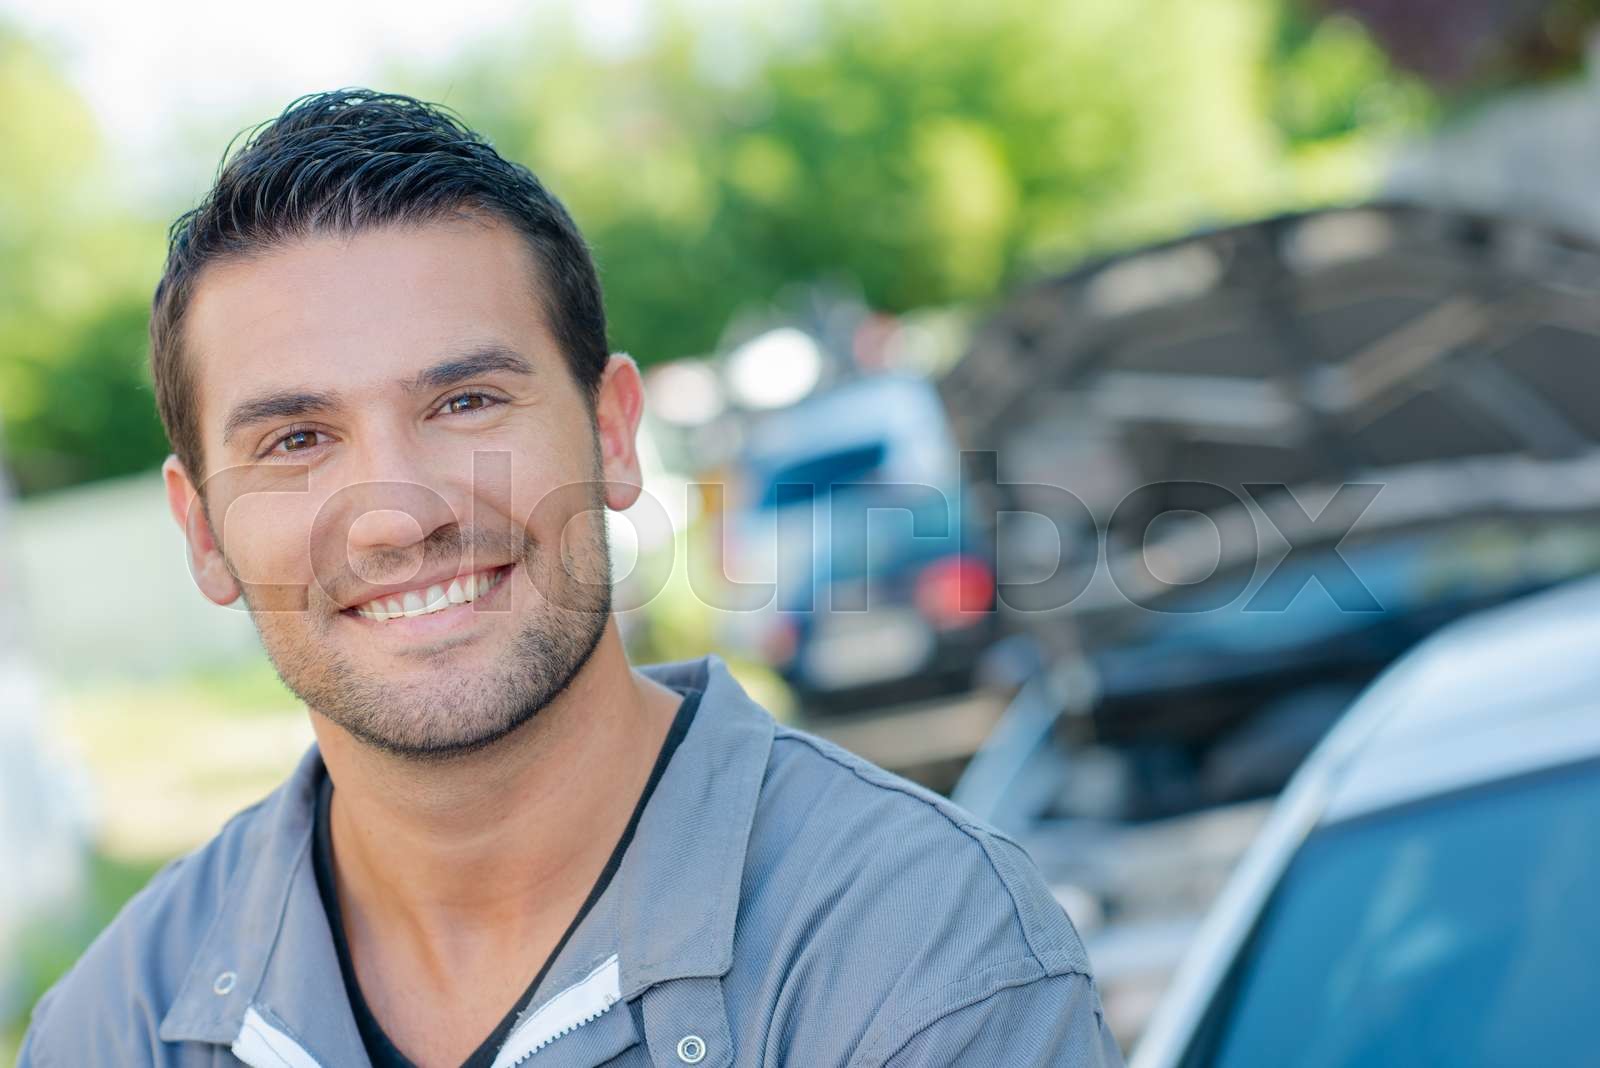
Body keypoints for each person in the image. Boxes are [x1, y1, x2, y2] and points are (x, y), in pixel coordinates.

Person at [17, 88, 1122, 1068]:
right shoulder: (120, 1027)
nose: (399, 516)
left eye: (465, 403)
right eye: (297, 441)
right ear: (202, 530)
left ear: (613, 434)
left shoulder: (922, 955)